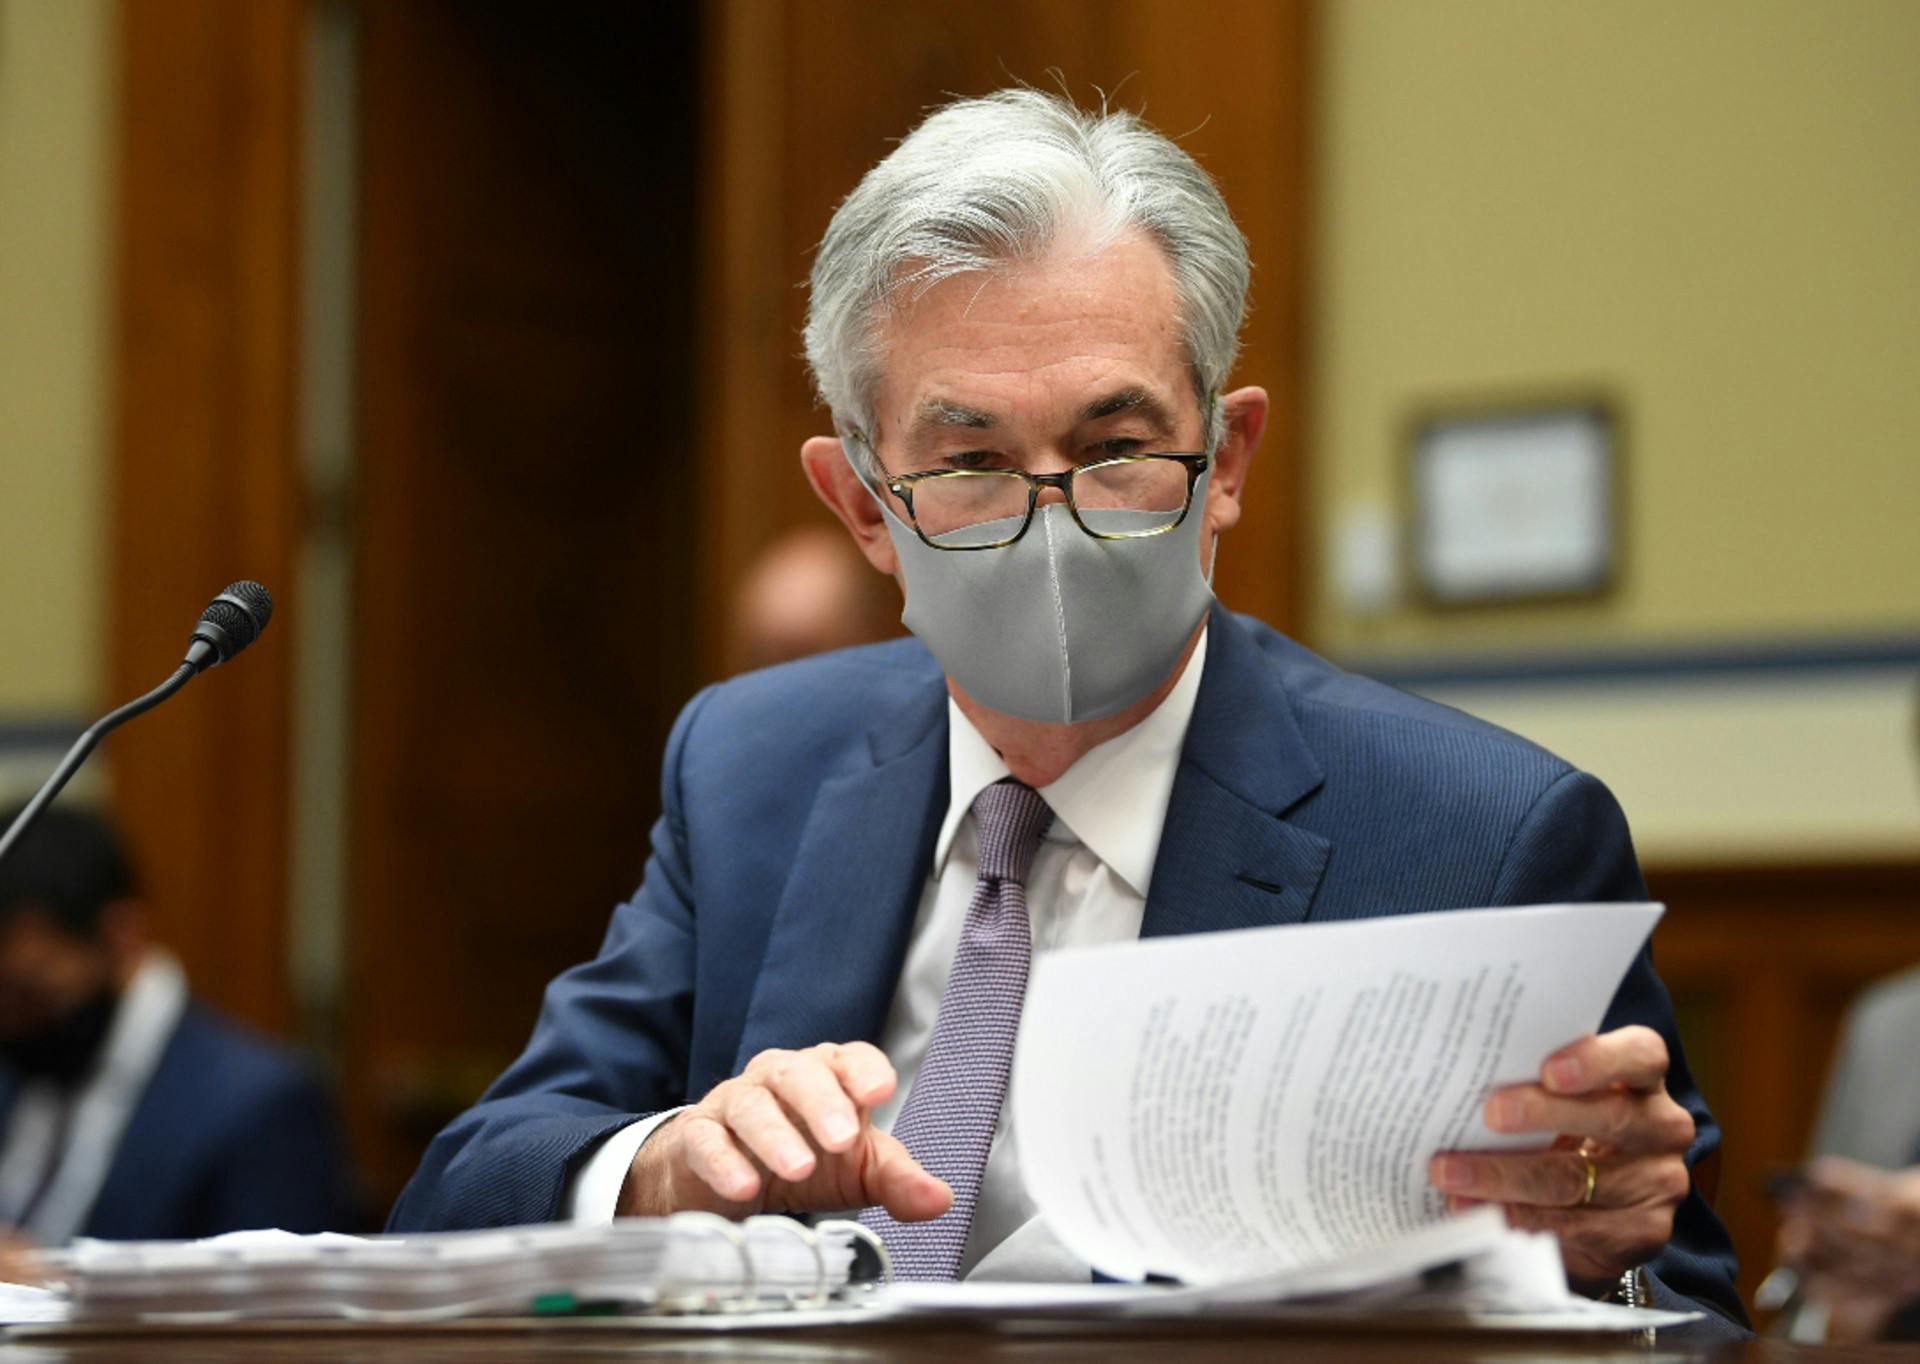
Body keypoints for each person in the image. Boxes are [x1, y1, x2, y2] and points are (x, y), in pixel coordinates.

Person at [389, 90, 1745, 1334]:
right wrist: (665, 1165)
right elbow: (467, 1190)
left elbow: (1683, 1308)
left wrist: (1590, 1257)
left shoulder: (1481, 841)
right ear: (863, 505)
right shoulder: (754, 767)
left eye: (1113, 451)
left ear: (1227, 464)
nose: (1053, 530)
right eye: (971, 461)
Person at [0, 804, 358, 1241]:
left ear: (121, 935)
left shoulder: (261, 1106)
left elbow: (283, 1301)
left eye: (30, 990)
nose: (9, 1020)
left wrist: (46, 1275)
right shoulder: (22, 1065)